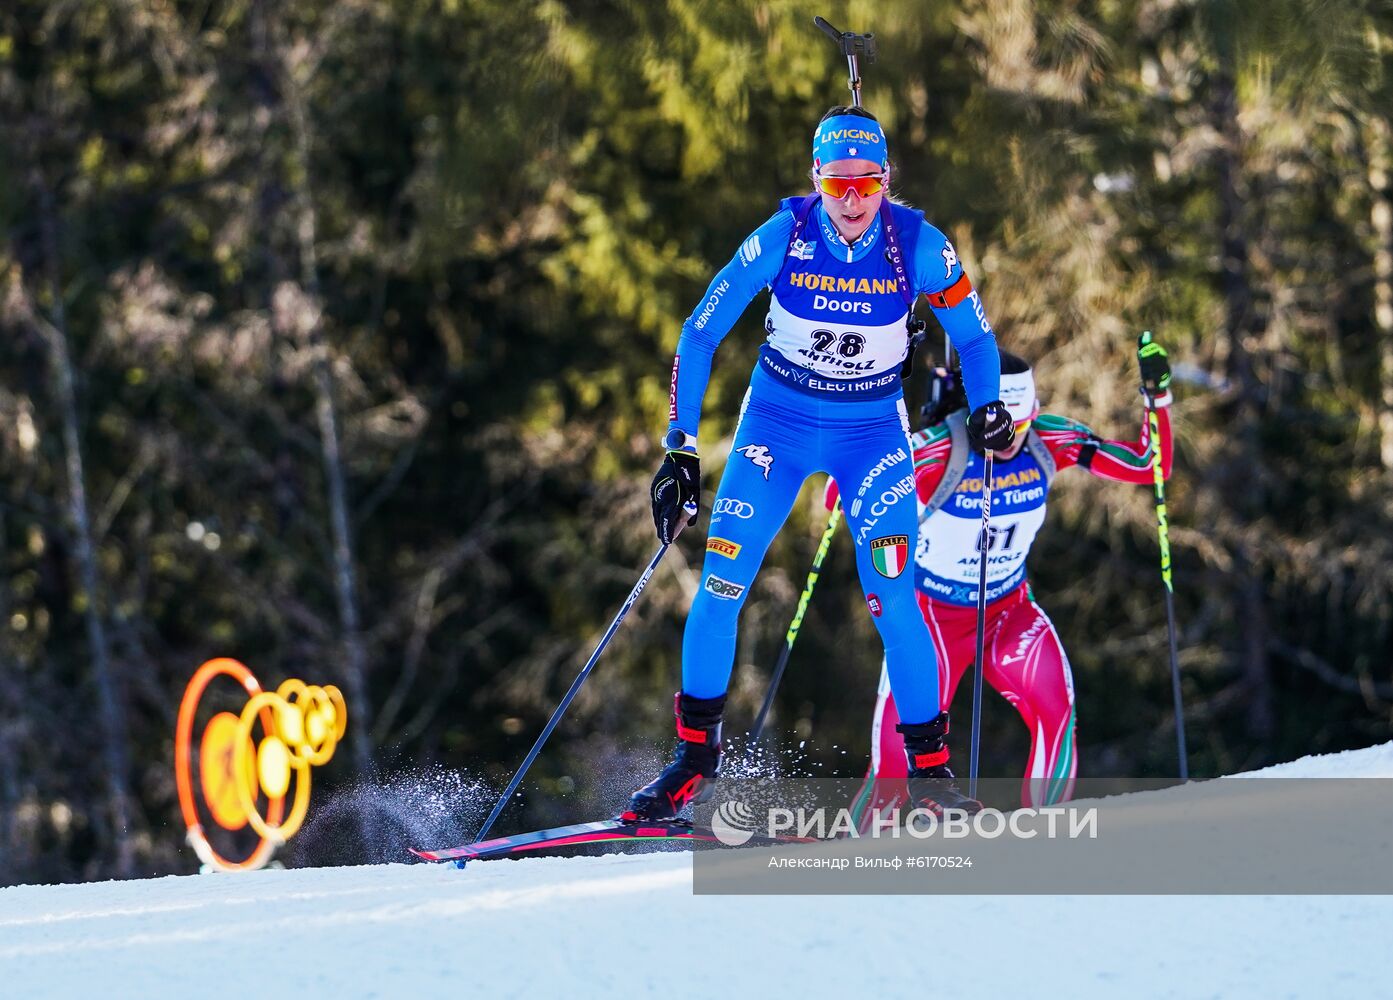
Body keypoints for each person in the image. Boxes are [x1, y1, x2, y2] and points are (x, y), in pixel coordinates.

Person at [625, 104, 1017, 824]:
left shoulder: (919, 246)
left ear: (886, 180)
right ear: (815, 179)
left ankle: (931, 779)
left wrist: (988, 404)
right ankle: (691, 766)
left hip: (870, 434)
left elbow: (978, 339)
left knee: (893, 596)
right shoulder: (784, 234)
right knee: (720, 584)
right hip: (775, 426)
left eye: (866, 184)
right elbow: (700, 331)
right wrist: (679, 446)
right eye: (836, 185)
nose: (852, 202)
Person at [841, 337, 1174, 826]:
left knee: (1055, 709)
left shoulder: (1047, 440)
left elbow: (1151, 466)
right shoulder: (938, 449)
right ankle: (861, 850)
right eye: (1000, 425)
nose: (1010, 438)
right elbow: (842, 494)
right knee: (896, 762)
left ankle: (1043, 840)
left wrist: (1157, 398)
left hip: (1008, 610)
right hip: (930, 619)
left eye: (1021, 424)